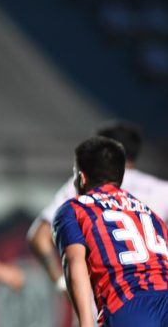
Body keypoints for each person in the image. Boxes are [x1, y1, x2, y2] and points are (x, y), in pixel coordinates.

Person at [28, 122, 168, 292]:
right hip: (154, 299)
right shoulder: (162, 190)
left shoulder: (82, 184)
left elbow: (39, 236)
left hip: (100, 302)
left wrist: (62, 284)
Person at [52, 136, 168, 326]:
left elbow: (74, 263)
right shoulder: (147, 212)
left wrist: (86, 323)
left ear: (81, 177)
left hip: (129, 304)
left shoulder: (75, 208)